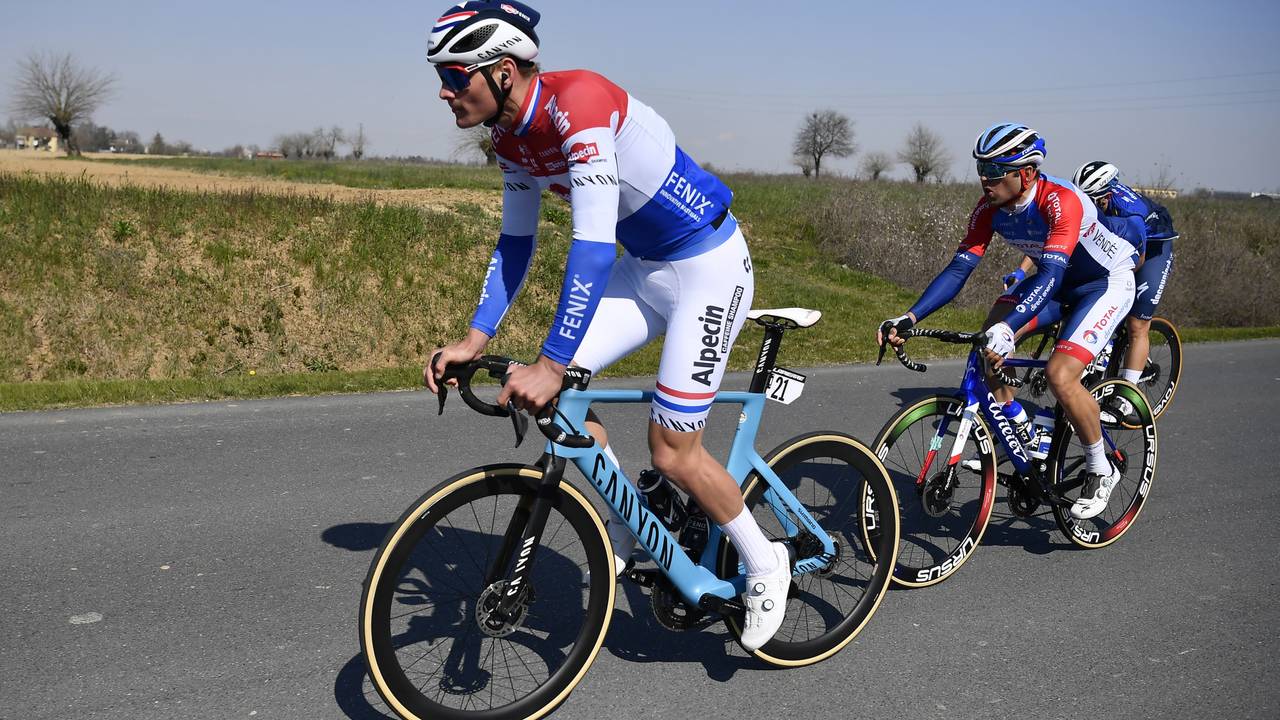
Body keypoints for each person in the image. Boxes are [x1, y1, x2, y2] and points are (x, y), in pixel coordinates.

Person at [420, 1, 788, 650]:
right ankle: (630, 527)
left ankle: (764, 561)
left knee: (673, 451)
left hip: (707, 268)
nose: (445, 90)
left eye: (456, 74)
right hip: (645, 268)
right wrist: (474, 339)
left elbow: (590, 244)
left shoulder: (580, 103)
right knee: (560, 402)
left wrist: (552, 359)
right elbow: (515, 244)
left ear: (504, 71)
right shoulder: (509, 138)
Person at [877, 122, 1136, 520]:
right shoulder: (989, 209)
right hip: (1059, 281)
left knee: (1060, 375)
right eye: (981, 169)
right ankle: (1018, 426)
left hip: (1103, 283)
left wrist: (1010, 327)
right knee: (988, 338)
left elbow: (1049, 275)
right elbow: (958, 269)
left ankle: (1101, 466)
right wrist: (910, 316)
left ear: (1027, 172)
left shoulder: (1061, 201)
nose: (985, 180)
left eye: (996, 172)